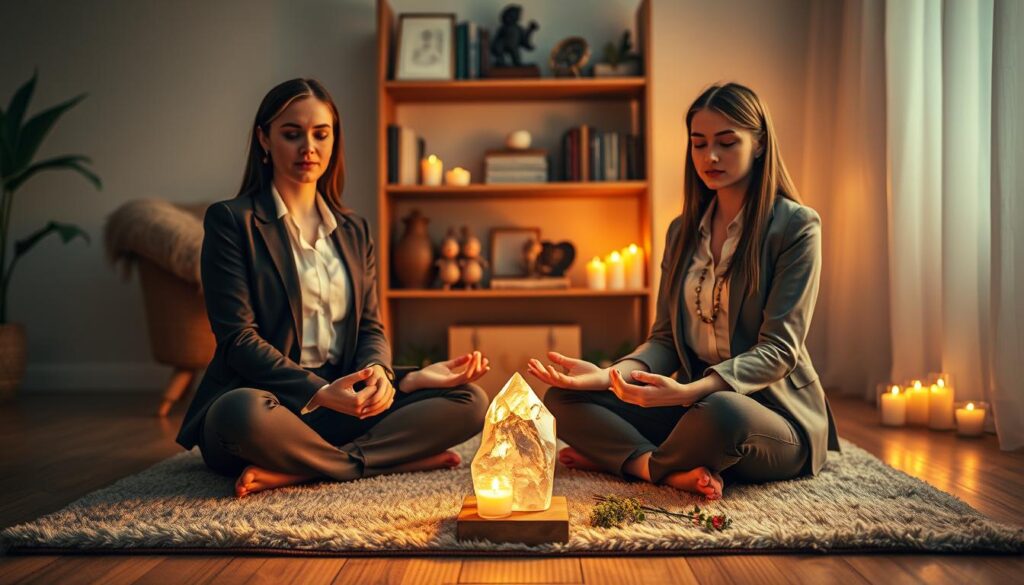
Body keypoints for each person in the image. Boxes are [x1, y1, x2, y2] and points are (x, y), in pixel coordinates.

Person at [175, 78, 489, 497]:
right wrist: (320, 392)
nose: (308, 147)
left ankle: (306, 468)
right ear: (264, 139)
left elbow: (371, 326)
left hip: (346, 400)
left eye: (321, 134)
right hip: (272, 405)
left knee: (470, 400)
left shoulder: (354, 229)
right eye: (292, 134)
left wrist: (384, 375)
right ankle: (379, 460)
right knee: (240, 412)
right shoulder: (232, 221)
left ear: (333, 140)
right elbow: (238, 340)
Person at [530, 82, 840, 500]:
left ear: (760, 144)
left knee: (721, 414)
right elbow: (664, 340)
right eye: (699, 144)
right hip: (691, 406)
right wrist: (610, 376)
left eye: (727, 142)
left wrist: (692, 391)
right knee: (563, 399)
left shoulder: (796, 226)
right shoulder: (681, 232)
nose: (710, 156)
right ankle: (659, 467)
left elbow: (779, 350)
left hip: (770, 416)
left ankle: (633, 462)